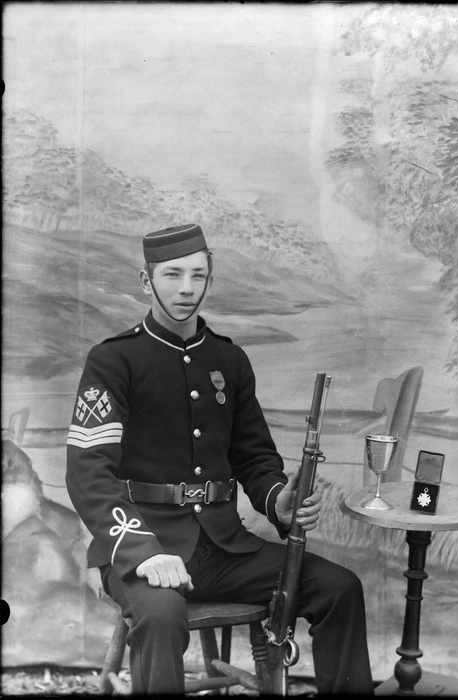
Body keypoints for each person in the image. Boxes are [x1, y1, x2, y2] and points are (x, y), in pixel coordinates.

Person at [66, 223, 373, 695]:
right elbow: (88, 473)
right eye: (172, 275)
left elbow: (253, 457)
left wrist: (276, 502)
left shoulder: (229, 361)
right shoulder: (113, 361)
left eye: (197, 275)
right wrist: (143, 551)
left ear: (211, 277)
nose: (187, 288)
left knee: (340, 588)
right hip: (143, 551)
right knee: (164, 617)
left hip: (226, 550)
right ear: (147, 282)